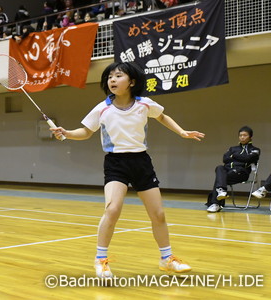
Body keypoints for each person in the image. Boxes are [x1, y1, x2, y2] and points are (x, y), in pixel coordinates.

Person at [50, 62, 204, 278]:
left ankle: (166, 258)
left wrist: (181, 132)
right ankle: (100, 260)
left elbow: (162, 116)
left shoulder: (144, 104)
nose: (112, 80)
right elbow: (85, 131)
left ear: (131, 82)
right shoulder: (102, 108)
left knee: (158, 214)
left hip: (141, 162)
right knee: (112, 209)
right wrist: (66, 133)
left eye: (118, 76)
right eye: (110, 76)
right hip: (116, 164)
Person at [205, 126, 260, 213]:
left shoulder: (255, 150)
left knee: (220, 179)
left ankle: (216, 203)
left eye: (245, 135)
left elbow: (247, 159)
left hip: (241, 173)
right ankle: (220, 192)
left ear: (250, 137)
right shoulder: (233, 148)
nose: (242, 137)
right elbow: (225, 159)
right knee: (219, 167)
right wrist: (240, 158)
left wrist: (234, 156)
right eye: (240, 135)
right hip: (228, 171)